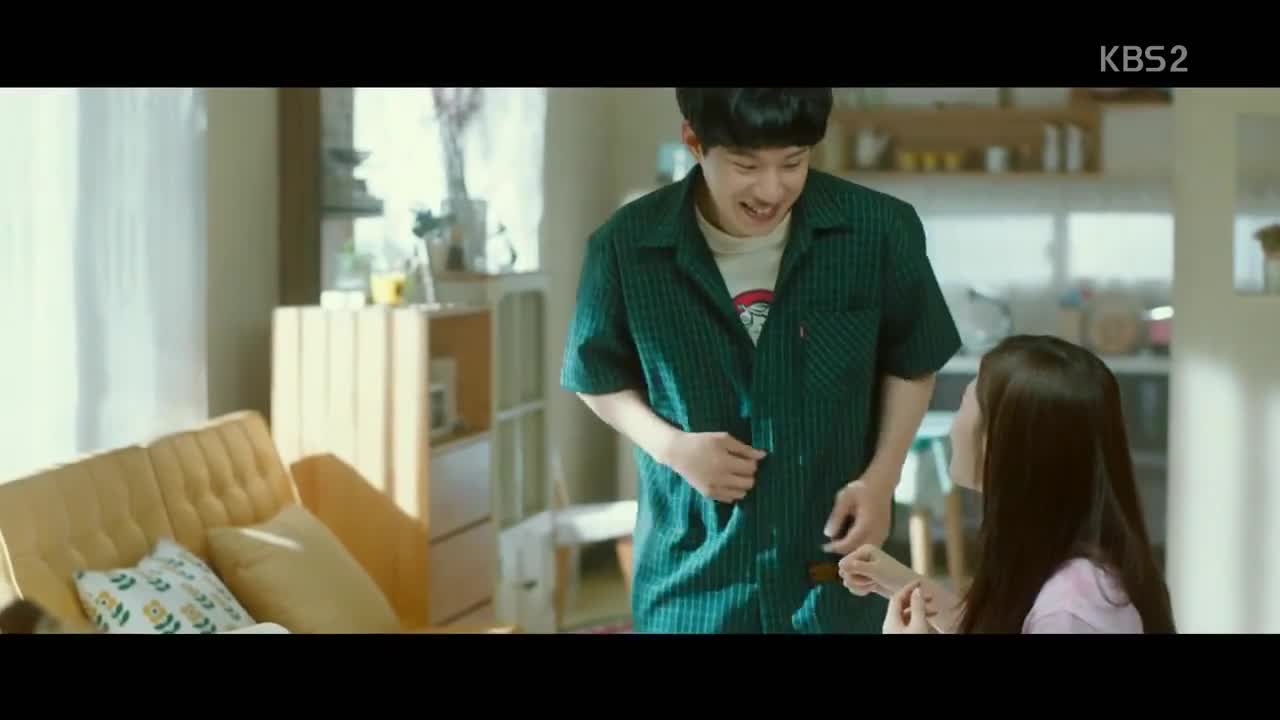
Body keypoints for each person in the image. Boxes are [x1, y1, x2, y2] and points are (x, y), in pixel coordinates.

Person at [559, 88, 962, 633]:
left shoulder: (879, 230)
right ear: (694, 140)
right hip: (694, 582)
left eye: (793, 162)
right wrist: (673, 448)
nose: (772, 190)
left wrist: (881, 479)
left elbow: (913, 359)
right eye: (746, 166)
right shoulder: (625, 247)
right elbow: (594, 374)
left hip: (834, 581)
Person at [840, 334, 1177, 634]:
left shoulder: (1068, 612)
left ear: (1001, 443)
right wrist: (905, 584)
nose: (954, 428)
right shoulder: (1069, 570)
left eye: (965, 407)